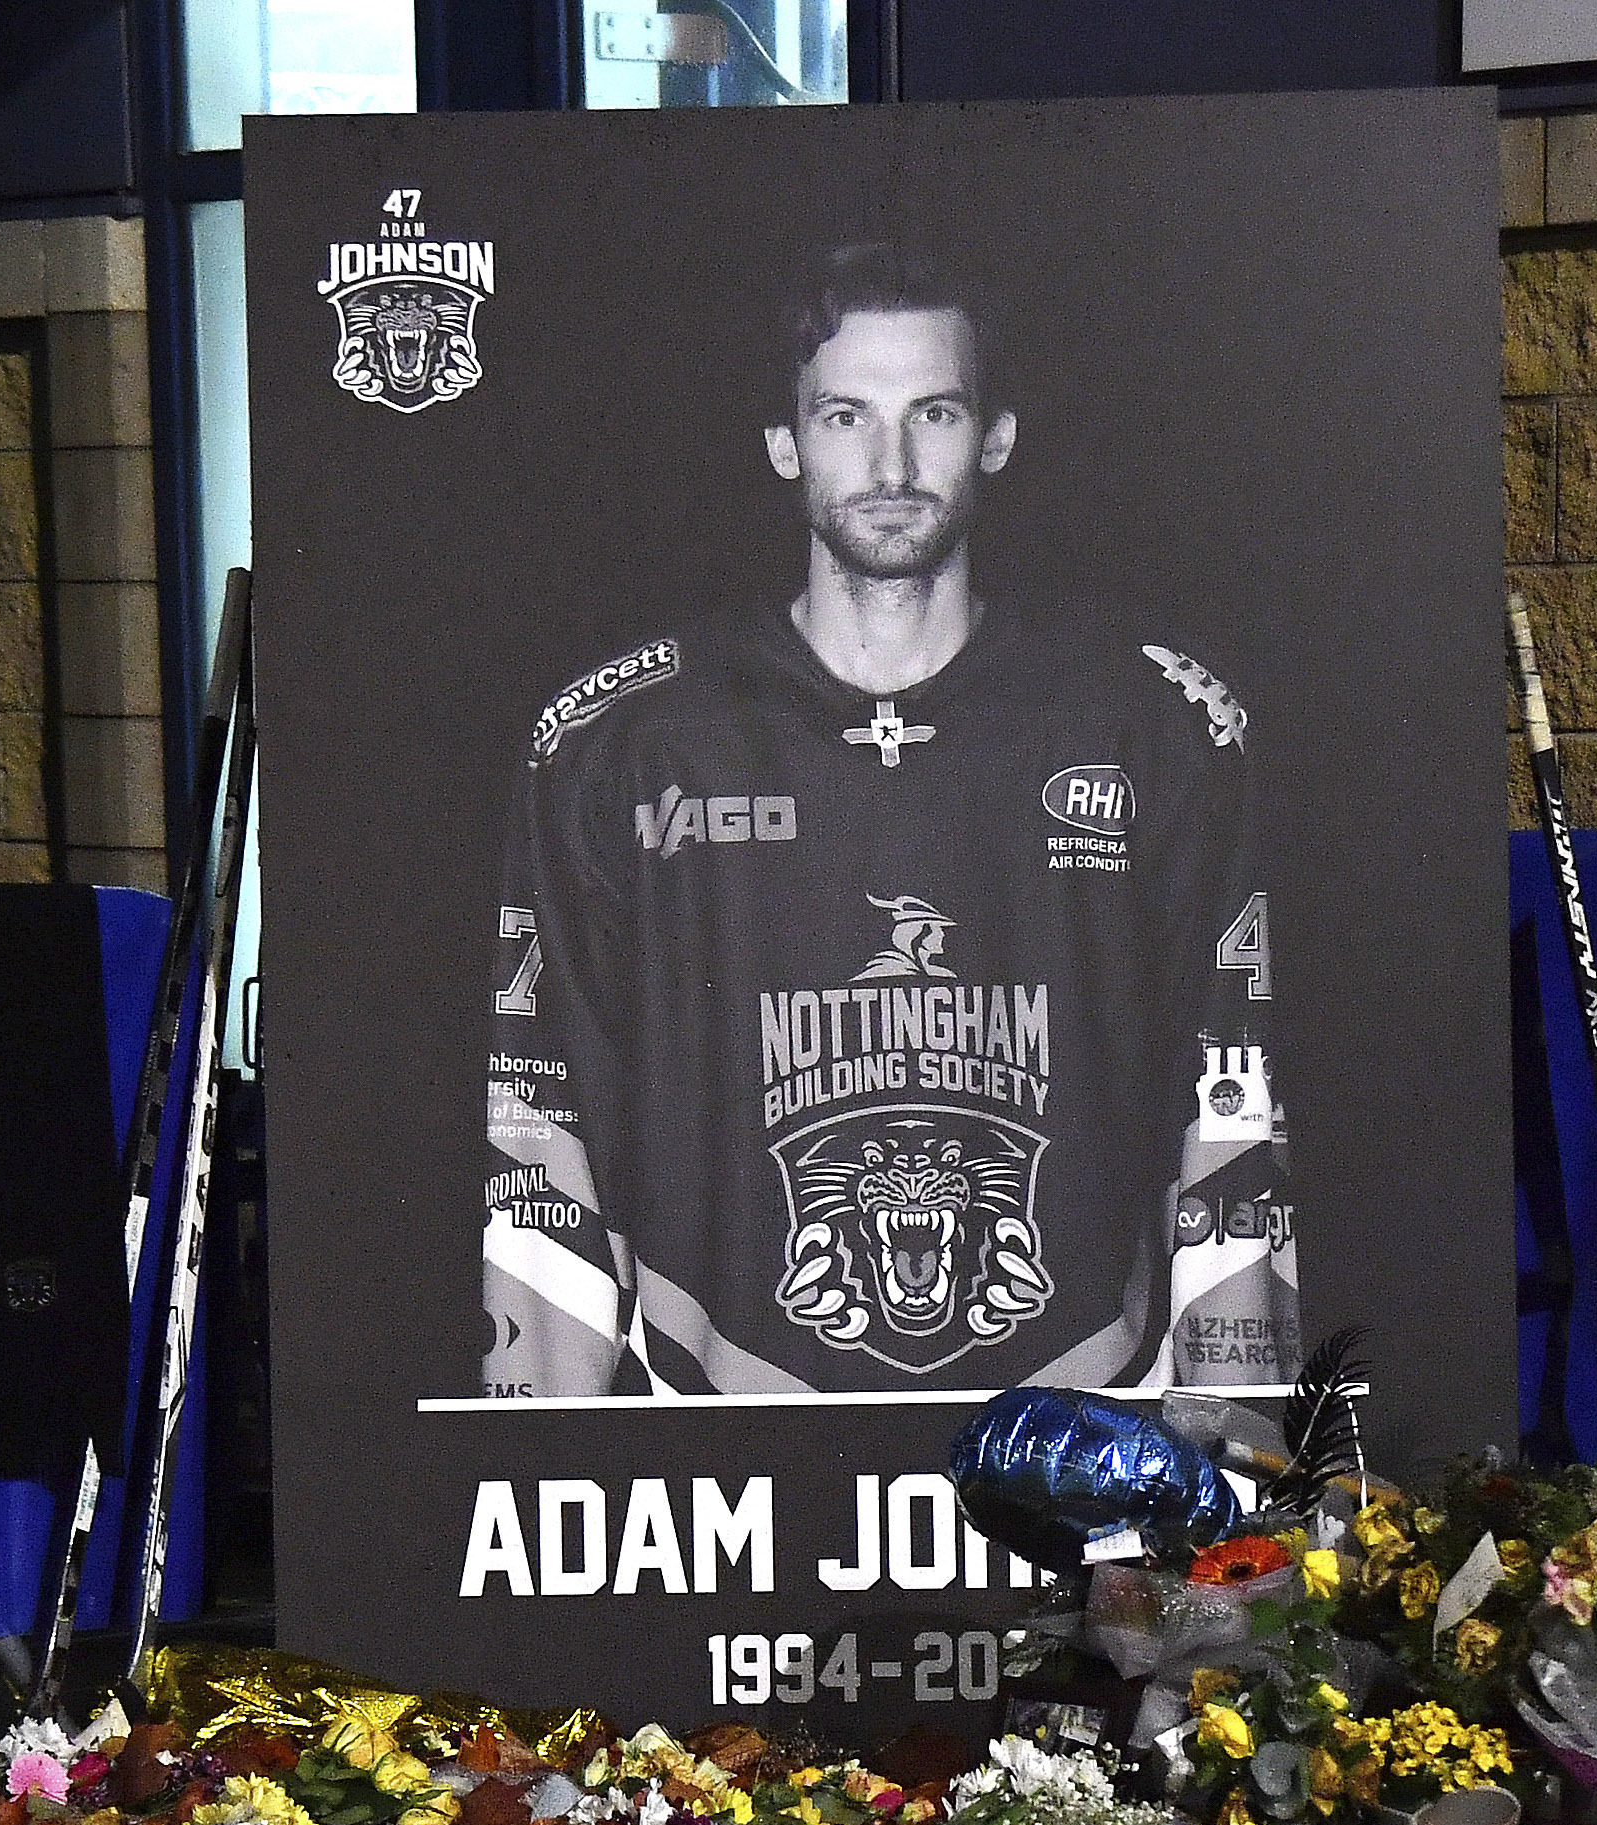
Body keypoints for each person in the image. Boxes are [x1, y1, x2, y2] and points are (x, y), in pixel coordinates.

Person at [477, 242, 1292, 1399]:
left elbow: (1232, 1094)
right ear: (784, 443)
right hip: (723, 1445)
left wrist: (1237, 1441)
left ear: (996, 438)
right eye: (846, 416)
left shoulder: (1151, 724)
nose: (892, 463)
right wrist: (545, 1455)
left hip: (1075, 1421)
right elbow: (540, 1121)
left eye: (936, 414)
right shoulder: (622, 744)